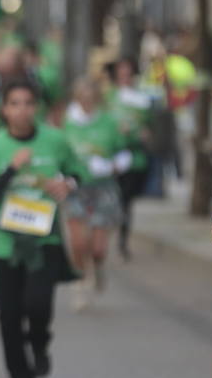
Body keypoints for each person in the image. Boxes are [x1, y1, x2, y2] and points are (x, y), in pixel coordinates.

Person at [0, 79, 84, 378]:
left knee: (37, 304)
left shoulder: (55, 141)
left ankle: (39, 341)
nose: (22, 110)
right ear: (4, 110)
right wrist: (11, 170)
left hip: (43, 240)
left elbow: (78, 172)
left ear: (36, 108)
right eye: (14, 103)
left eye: (28, 103)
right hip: (4, 244)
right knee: (9, 314)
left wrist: (68, 184)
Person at [60, 76, 123, 306]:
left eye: (91, 99)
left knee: (97, 248)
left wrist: (112, 164)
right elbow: (60, 151)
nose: (87, 103)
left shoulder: (108, 122)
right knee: (78, 244)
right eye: (83, 98)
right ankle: (80, 281)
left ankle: (96, 266)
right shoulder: (67, 122)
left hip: (103, 189)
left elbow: (124, 152)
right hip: (76, 188)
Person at [105, 57, 153, 260]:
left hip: (134, 159)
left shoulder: (142, 99)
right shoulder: (107, 97)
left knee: (125, 201)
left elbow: (149, 128)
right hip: (109, 159)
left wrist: (144, 134)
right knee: (112, 199)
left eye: (128, 72)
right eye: (120, 72)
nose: (124, 76)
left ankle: (122, 242)